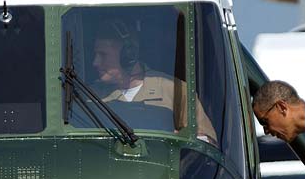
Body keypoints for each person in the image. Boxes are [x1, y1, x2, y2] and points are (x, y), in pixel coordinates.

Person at [89, 19, 218, 145]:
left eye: (103, 55)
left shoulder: (175, 91)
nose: (95, 62)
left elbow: (207, 143)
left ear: (128, 56)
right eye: (95, 54)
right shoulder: (89, 97)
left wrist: (179, 140)